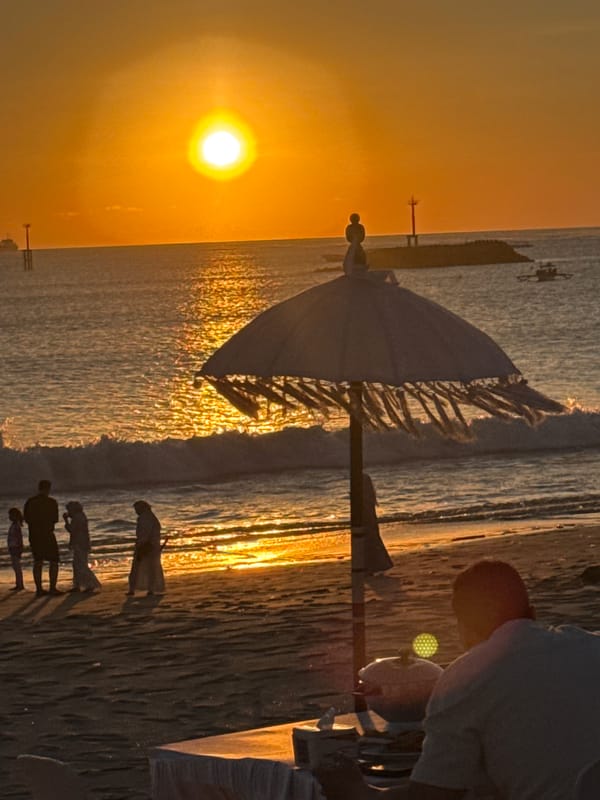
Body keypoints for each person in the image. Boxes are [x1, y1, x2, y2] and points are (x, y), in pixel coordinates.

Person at [316, 559, 600, 800]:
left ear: (463, 627)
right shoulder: (590, 645)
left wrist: (359, 791)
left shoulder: (466, 678)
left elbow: (432, 796)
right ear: (533, 614)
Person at [23, 479, 61, 597]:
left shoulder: (30, 501)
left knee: (38, 561)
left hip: (34, 534)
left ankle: (39, 589)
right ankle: (52, 588)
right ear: (48, 489)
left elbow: (27, 519)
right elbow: (55, 519)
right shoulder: (52, 502)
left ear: (39, 488)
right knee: (54, 561)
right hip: (48, 534)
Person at [127, 500, 165, 597]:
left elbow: (144, 535)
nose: (136, 511)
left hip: (146, 546)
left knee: (138, 568)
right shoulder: (151, 517)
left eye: (137, 509)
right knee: (152, 567)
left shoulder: (145, 518)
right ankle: (150, 589)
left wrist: (141, 546)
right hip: (152, 546)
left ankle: (134, 589)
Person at [63, 501, 101, 593]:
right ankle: (78, 585)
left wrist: (66, 521)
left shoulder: (77, 518)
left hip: (80, 543)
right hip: (82, 543)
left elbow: (71, 530)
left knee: (80, 565)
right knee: (78, 564)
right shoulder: (81, 516)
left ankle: (90, 584)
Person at [362, 474, 393, 575]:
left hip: (367, 521)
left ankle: (374, 566)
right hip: (369, 521)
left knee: (370, 541)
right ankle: (377, 565)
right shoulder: (368, 498)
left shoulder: (365, 499)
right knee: (372, 541)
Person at [7, 507, 25, 591]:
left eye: (11, 515)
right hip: (12, 547)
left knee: (17, 566)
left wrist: (20, 547)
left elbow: (19, 537)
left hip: (15, 547)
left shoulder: (16, 525)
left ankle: (20, 584)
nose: (9, 517)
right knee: (15, 566)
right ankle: (18, 583)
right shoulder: (14, 525)